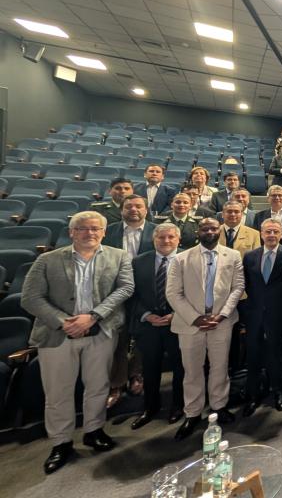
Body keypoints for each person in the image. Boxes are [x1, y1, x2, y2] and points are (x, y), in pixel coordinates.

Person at [22, 211, 135, 474]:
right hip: (58, 335)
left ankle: (94, 430)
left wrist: (93, 316)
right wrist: (65, 322)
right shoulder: (47, 259)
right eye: (83, 228)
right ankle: (61, 442)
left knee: (98, 386)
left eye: (96, 229)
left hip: (101, 330)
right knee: (58, 392)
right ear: (72, 232)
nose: (90, 233)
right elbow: (30, 298)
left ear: (104, 232)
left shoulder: (119, 257)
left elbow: (125, 288)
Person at [166, 218, 244, 440]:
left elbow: (238, 287)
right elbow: (173, 294)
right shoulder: (181, 258)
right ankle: (192, 413)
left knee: (220, 367)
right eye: (205, 228)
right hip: (191, 324)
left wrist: (222, 314)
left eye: (213, 228)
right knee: (192, 371)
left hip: (222, 322)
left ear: (220, 230)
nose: (209, 231)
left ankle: (219, 406)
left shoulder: (233, 255)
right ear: (197, 231)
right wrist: (195, 318)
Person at [129, 223, 185, 430]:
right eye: (161, 237)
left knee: (181, 368)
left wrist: (176, 314)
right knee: (150, 369)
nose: (166, 241)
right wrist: (146, 315)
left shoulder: (188, 259)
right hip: (149, 325)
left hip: (179, 323)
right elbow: (131, 294)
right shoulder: (138, 262)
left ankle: (178, 406)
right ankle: (150, 407)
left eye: (171, 237)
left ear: (178, 239)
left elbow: (194, 292)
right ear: (154, 240)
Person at [102, 194, 155, 407]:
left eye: (138, 206)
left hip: (146, 290)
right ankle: (117, 382)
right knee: (119, 337)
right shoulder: (109, 231)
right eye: (129, 206)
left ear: (146, 209)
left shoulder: (156, 231)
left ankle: (137, 374)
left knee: (143, 336)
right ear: (121, 210)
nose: (134, 210)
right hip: (116, 290)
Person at [240, 219, 282, 416]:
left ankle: (279, 391)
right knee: (252, 356)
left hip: (278, 314)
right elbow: (245, 284)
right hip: (254, 315)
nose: (271, 235)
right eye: (268, 231)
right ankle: (252, 395)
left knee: (276, 355)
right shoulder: (250, 256)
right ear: (261, 234)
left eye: (275, 232)